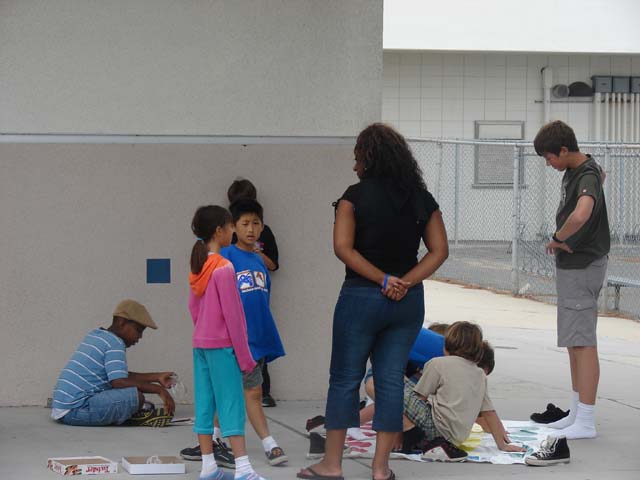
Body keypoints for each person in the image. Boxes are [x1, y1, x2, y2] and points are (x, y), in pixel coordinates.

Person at [298, 123, 449, 480]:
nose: (354, 167)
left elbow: (342, 248)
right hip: (407, 302)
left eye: (357, 159)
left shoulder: (354, 197)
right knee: (390, 380)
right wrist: (405, 281)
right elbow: (439, 250)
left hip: (361, 297)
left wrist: (382, 279)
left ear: (369, 157)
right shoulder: (422, 198)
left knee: (344, 379)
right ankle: (381, 469)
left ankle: (332, 465)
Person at [182, 200, 287, 469]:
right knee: (234, 402)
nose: (249, 229)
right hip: (231, 345)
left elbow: (194, 306)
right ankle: (245, 465)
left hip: (209, 343)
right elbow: (233, 315)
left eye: (256, 223)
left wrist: (204, 329)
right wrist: (242, 353)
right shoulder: (224, 264)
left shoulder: (205, 263)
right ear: (222, 230)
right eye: (239, 224)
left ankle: (209, 460)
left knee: (211, 400)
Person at [535, 120, 610, 440]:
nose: (548, 163)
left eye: (549, 157)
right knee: (573, 342)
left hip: (582, 265)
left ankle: (586, 420)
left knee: (583, 342)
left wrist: (558, 237)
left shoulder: (585, 174)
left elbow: (581, 213)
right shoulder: (581, 170)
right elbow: (601, 175)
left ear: (564, 150)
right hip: (574, 266)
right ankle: (578, 412)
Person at [402, 322, 524, 461]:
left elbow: (419, 398)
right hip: (456, 439)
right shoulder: (480, 374)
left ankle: (408, 432)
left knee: (390, 382)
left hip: (434, 430)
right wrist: (503, 445)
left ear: (446, 344)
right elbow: (489, 412)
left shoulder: (437, 363)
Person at [51, 299, 175, 427]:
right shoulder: (115, 343)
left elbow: (119, 376)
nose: (140, 337)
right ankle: (130, 416)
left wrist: (156, 377)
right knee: (136, 398)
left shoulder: (97, 335)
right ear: (122, 322)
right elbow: (119, 382)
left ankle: (127, 412)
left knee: (131, 397)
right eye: (138, 330)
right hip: (77, 410)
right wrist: (159, 390)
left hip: (64, 407)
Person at [227, 178, 279, 408]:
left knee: (258, 350)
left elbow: (274, 264)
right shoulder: (228, 242)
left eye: (255, 223)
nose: (250, 228)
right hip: (234, 312)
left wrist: (256, 253)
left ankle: (262, 392)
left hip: (257, 306)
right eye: (244, 223)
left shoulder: (263, 234)